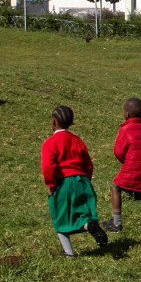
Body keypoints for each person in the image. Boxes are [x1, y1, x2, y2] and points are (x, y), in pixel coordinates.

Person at [40, 105, 109, 256]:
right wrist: (86, 181)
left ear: (53, 122)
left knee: (60, 218)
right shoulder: (77, 141)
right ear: (71, 123)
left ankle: (69, 253)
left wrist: (51, 185)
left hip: (62, 184)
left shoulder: (49, 143)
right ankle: (89, 225)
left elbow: (48, 167)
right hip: (82, 182)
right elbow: (88, 164)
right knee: (82, 214)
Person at [102, 97, 141, 233]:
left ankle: (116, 223)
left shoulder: (125, 130)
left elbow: (118, 151)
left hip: (130, 169)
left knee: (116, 187)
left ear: (127, 114)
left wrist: (126, 160)